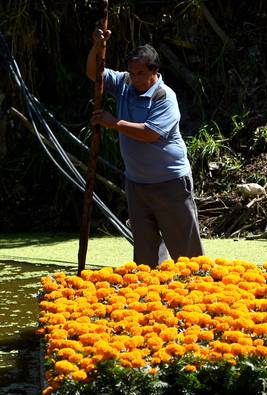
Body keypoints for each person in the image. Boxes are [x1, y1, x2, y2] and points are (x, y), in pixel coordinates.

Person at [86, 28, 204, 267]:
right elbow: (94, 73)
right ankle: (151, 298)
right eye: (132, 72)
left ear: (154, 72)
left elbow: (150, 134)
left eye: (140, 73)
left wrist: (113, 123)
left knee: (187, 254)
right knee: (145, 254)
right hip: (137, 184)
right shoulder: (125, 83)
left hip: (170, 183)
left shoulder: (164, 97)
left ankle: (197, 294)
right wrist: (97, 47)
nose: (135, 78)